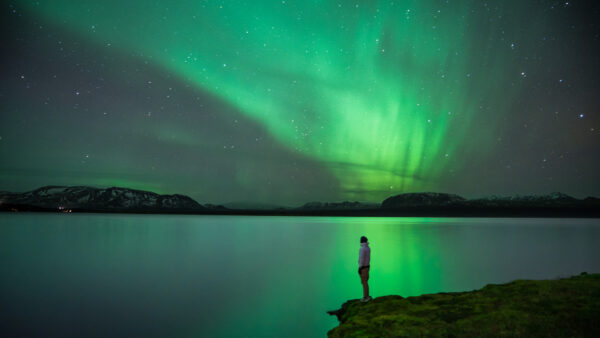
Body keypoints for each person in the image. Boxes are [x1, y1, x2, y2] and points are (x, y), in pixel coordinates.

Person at [358, 236, 372, 302]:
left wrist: (360, 268)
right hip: (367, 267)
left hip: (363, 268)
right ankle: (367, 296)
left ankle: (365, 297)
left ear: (361, 241)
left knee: (364, 282)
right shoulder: (368, 248)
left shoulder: (362, 249)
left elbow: (361, 259)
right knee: (365, 282)